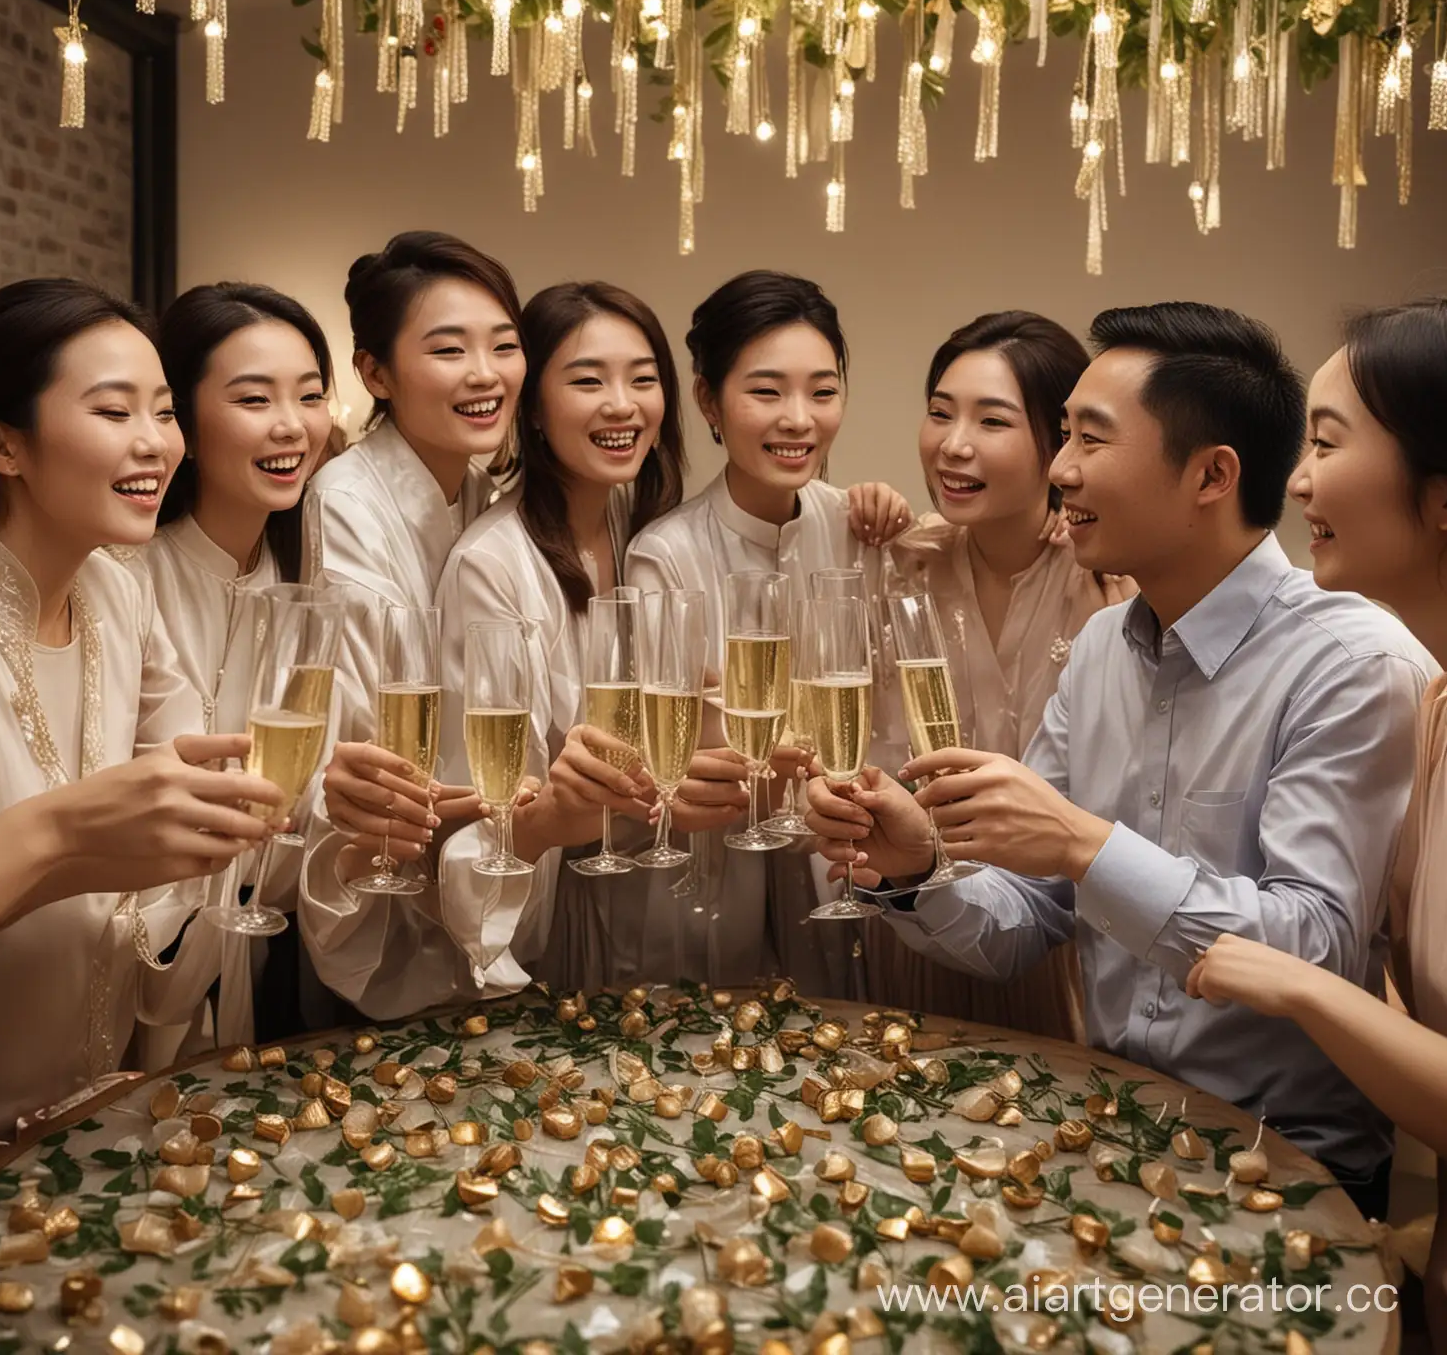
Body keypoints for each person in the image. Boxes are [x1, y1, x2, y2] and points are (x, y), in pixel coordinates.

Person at [807, 301, 1435, 1216]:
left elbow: (1316, 951)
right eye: (1063, 436)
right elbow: (1028, 913)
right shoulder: (1103, 648)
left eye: (1091, 440)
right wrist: (916, 870)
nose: (1060, 470)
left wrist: (1083, 844)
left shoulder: (1351, 663)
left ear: (1212, 474)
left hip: (1290, 1170)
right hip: (1111, 1133)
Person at [0, 282, 272, 1209]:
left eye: (163, 410)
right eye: (114, 412)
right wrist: (62, 833)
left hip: (94, 1136)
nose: (156, 442)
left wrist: (314, 800)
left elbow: (192, 792)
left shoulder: (120, 592)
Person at [1185, 298, 1447, 1340]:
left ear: (1442, 496)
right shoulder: (1432, 708)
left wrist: (1300, 982)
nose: (1296, 482)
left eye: (1328, 445)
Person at [438, 281, 752, 991]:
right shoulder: (492, 566)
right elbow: (488, 805)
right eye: (587, 381)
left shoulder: (640, 527)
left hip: (662, 907)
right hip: (563, 928)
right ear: (536, 408)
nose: (622, 405)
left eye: (643, 379)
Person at [625, 269, 910, 997]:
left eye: (822, 391)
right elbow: (673, 745)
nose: (799, 419)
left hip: (839, 869)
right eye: (766, 391)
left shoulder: (858, 528)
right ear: (707, 400)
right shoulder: (665, 552)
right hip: (714, 878)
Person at [868, 311, 1134, 1040]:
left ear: (1059, 444)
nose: (954, 445)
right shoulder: (899, 564)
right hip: (911, 933)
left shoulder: (1113, 586)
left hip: (1054, 953)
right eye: (938, 413)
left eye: (992, 421)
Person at [300, 232, 529, 1012]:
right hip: (376, 877)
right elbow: (366, 730)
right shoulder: (347, 501)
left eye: (504, 346)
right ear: (376, 373)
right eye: (447, 350)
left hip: (466, 854)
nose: (484, 374)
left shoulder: (476, 493)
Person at [131, 283, 337, 1055]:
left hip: (245, 975)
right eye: (254, 399)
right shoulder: (130, 575)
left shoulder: (303, 574)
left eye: (311, 396)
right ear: (180, 415)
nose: (293, 426)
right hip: (134, 976)